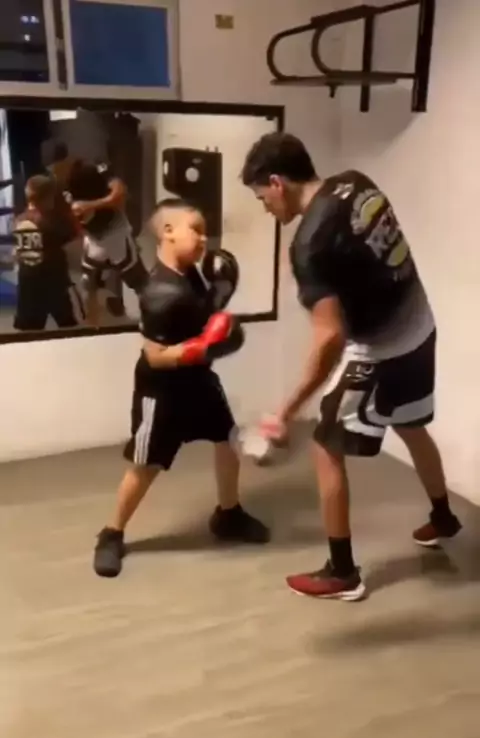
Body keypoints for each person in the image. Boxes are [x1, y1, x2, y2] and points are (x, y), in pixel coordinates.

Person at [240, 132, 461, 601]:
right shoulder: (356, 183)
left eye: (262, 198)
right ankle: (443, 517)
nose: (265, 208)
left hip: (380, 349)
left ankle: (342, 573)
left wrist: (286, 410)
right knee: (411, 424)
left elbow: (330, 338)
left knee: (325, 446)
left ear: (277, 182)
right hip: (421, 326)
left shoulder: (309, 244)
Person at [93, 197, 269, 578]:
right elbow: (156, 357)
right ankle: (111, 533)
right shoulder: (158, 293)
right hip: (162, 389)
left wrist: (218, 297)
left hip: (199, 380)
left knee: (227, 441)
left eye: (205, 231)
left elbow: (201, 315)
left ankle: (228, 514)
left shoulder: (190, 273)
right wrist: (204, 346)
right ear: (168, 232)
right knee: (146, 464)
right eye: (197, 230)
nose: (204, 239)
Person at [42, 140, 146, 326]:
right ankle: (93, 328)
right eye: (50, 169)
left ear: (65, 160)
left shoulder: (90, 170)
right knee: (87, 283)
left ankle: (153, 321)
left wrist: (91, 205)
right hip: (93, 239)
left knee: (139, 283)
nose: (54, 172)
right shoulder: (58, 182)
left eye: (56, 167)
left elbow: (119, 192)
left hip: (115, 234)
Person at [13, 175, 82, 332]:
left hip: (28, 285)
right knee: (70, 329)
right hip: (54, 283)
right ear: (48, 198)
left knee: (29, 333)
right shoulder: (53, 222)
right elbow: (76, 238)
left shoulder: (19, 220)